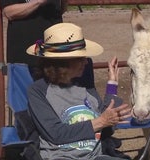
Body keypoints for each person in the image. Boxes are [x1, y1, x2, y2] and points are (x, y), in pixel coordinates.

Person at [25, 23, 132, 160]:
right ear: (63, 63)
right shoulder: (38, 91)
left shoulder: (85, 86)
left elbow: (104, 130)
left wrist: (112, 85)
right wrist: (101, 121)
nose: (86, 63)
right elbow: (56, 134)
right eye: (81, 58)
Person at [0, 0, 67, 80]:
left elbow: (61, 8)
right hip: (24, 51)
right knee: (25, 89)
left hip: (52, 49)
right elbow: (9, 12)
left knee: (55, 89)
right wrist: (39, 2)